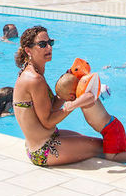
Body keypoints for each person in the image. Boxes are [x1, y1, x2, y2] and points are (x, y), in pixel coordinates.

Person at [12, 26, 103, 166]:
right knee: (103, 147)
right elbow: (48, 121)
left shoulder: (34, 72)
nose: (49, 47)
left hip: (40, 143)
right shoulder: (34, 79)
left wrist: (67, 87)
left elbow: (50, 106)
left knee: (93, 141)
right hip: (44, 150)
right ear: (28, 50)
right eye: (42, 44)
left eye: (50, 42)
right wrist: (74, 104)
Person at [55, 72, 126, 167]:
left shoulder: (85, 96)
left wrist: (73, 104)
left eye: (65, 99)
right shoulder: (81, 98)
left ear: (71, 96)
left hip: (111, 129)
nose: (66, 102)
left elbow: (90, 97)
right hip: (111, 127)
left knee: (111, 158)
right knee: (120, 152)